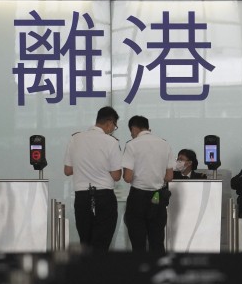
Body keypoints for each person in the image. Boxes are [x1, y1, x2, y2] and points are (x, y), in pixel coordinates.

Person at [63, 106, 123, 251]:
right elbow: (116, 175)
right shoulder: (111, 142)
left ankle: (86, 272)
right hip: (104, 197)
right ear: (109, 123)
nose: (113, 129)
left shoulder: (75, 139)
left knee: (86, 241)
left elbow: (68, 170)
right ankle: (99, 272)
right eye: (114, 126)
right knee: (102, 243)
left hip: (82, 197)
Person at [121, 115, 174, 252]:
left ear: (133, 128)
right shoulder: (164, 144)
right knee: (157, 240)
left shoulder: (132, 144)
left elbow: (127, 177)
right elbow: (169, 177)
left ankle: (139, 271)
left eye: (131, 131)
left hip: (138, 197)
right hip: (157, 197)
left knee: (138, 242)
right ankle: (158, 271)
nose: (131, 134)